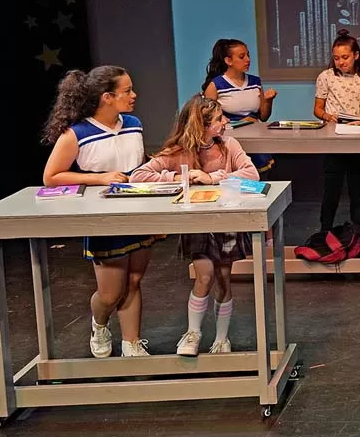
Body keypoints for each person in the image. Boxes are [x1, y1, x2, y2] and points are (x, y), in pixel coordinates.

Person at [42, 66, 157, 358]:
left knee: (133, 281)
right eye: (127, 91)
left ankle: (132, 343)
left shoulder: (134, 124)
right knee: (110, 293)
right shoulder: (77, 133)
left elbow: (137, 163)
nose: (134, 95)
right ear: (107, 97)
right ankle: (100, 323)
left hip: (138, 211)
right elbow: (52, 176)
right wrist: (100, 178)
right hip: (104, 218)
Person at [132, 96, 259, 355]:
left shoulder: (229, 145)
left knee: (223, 278)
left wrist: (214, 178)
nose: (225, 123)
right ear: (202, 125)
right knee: (205, 275)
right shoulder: (179, 150)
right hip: (198, 224)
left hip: (225, 222)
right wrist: (180, 177)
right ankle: (193, 333)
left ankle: (222, 339)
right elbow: (139, 176)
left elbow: (251, 174)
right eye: (219, 119)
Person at [313, 29, 360, 235]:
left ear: (356, 55)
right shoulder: (326, 77)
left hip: (357, 137)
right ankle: (325, 230)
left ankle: (358, 231)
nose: (340, 62)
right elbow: (318, 109)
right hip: (334, 138)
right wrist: (327, 116)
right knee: (331, 188)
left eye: (345, 57)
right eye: (336, 58)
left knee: (358, 188)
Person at [202, 38, 277, 174]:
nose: (247, 60)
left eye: (248, 55)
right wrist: (241, 123)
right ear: (228, 61)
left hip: (255, 139)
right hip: (229, 140)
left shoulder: (255, 81)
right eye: (242, 57)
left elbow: (263, 117)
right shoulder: (216, 85)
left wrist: (268, 101)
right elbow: (208, 120)